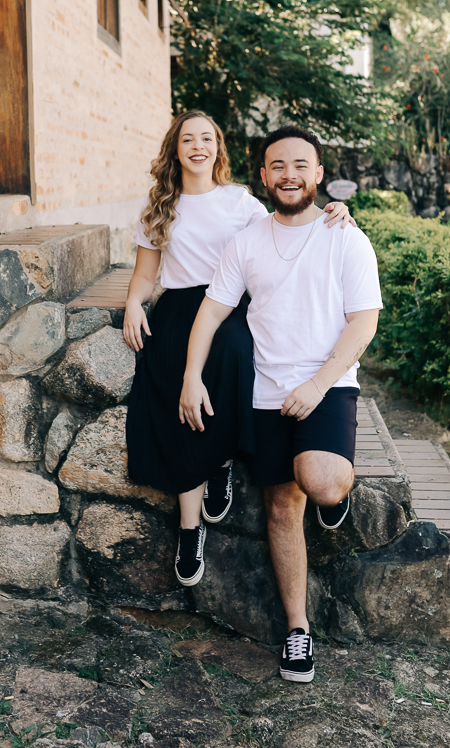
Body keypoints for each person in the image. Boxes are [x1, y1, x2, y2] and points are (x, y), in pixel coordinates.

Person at [180, 123, 382, 682]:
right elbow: (212, 311)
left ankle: (332, 489)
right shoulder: (246, 241)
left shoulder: (346, 237)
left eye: (301, 165)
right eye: (278, 166)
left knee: (319, 479)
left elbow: (364, 321)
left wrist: (318, 383)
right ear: (264, 176)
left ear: (318, 174)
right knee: (280, 507)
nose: (289, 175)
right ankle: (298, 631)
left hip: (328, 385)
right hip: (265, 396)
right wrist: (191, 375)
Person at [124, 111, 354, 588]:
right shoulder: (160, 204)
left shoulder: (238, 202)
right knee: (170, 373)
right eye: (188, 139)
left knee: (231, 355)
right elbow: (147, 273)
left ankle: (222, 462)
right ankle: (190, 528)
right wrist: (132, 303)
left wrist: (339, 210)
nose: (197, 146)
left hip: (228, 305)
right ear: (176, 148)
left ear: (218, 148)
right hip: (181, 305)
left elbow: (288, 222)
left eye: (206, 138)